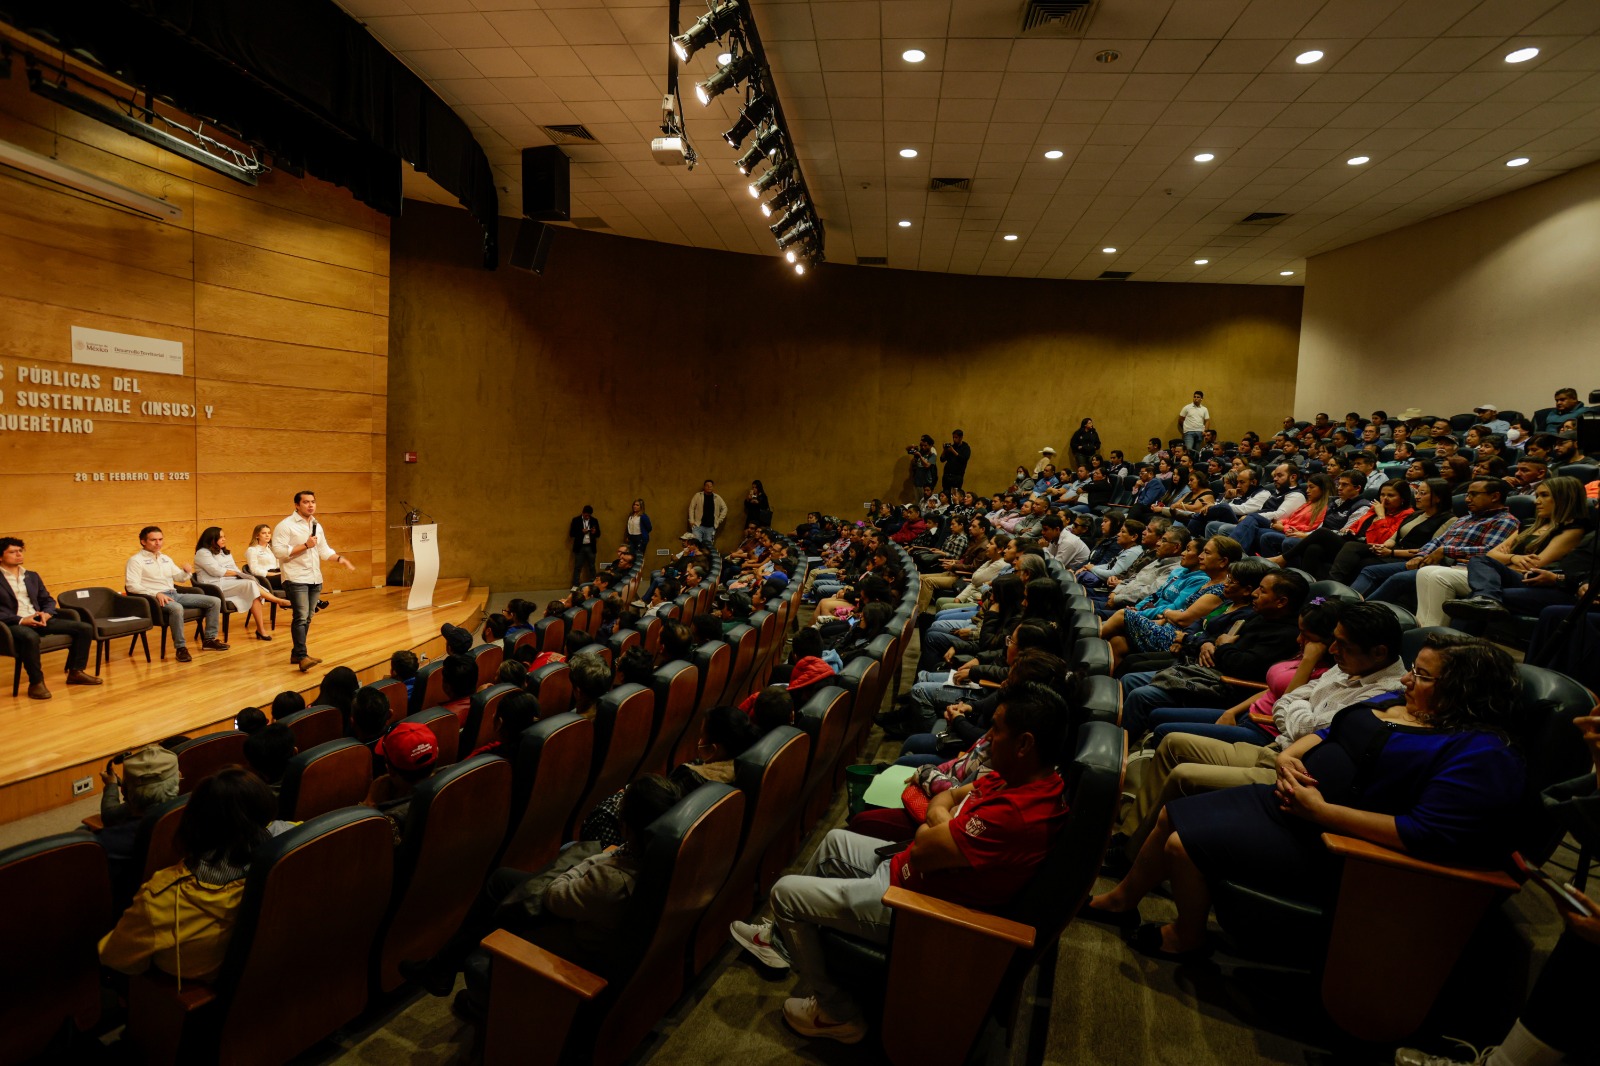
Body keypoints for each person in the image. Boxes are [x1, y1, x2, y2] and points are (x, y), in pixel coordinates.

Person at [1086, 632, 1524, 961]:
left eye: (1423, 676)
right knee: (1171, 817)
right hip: (1295, 805)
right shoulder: (1402, 701)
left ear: (1465, 691)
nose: (1407, 679)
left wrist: (1323, 812)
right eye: (1414, 669)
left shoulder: (1481, 753)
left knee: (1182, 844)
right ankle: (1123, 900)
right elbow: (1332, 731)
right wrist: (1289, 757)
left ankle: (1188, 937)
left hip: (1340, 845)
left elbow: (1427, 833)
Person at [730, 683, 1072, 1044]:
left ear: (1025, 744)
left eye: (997, 729)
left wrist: (940, 822)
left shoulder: (1016, 814)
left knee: (784, 893)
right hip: (910, 870)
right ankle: (782, 941)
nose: (987, 736)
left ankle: (836, 1013)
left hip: (918, 910)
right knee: (834, 842)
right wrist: (948, 821)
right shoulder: (1017, 776)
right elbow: (951, 796)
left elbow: (927, 842)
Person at [99, 768, 291, 984]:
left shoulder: (161, 900)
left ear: (192, 821)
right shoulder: (298, 849)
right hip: (274, 983)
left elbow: (117, 959)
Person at [1414, 476, 1586, 627]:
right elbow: (1491, 555)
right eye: (1537, 495)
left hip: (1528, 580)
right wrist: (1513, 557)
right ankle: (1426, 628)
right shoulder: (1529, 524)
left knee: (1444, 578)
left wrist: (1505, 559)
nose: (1536, 501)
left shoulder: (1573, 529)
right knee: (1470, 562)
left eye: (1544, 495)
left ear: (1564, 498)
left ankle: (1448, 628)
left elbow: (1534, 564)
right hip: (1502, 574)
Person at [0, 536, 100, 699]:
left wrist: (46, 614)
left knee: (84, 628)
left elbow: (47, 600)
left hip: (39, 618)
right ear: (1, 556)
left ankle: (76, 672)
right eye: (12, 552)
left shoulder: (31, 576)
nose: (18, 554)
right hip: (11, 624)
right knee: (29, 637)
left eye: (20, 550)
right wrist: (21, 620)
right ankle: (36, 682)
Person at [271, 490, 356, 673]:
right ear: (296, 505)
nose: (310, 505)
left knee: (308, 617)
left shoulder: (316, 524)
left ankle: (296, 653)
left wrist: (341, 559)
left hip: (314, 577)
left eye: (313, 502)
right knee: (300, 617)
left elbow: (324, 550)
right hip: (295, 577)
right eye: (306, 502)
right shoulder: (286, 526)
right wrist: (305, 545)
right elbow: (278, 552)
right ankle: (302, 656)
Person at [125, 526, 227, 664]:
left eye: (160, 539)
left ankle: (209, 640)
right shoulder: (136, 560)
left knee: (214, 601)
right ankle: (181, 648)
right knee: (176, 608)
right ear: (143, 542)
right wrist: (156, 593)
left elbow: (179, 578)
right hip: (153, 599)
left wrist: (186, 571)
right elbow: (132, 585)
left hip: (174, 593)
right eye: (153, 540)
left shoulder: (165, 558)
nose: (158, 543)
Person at [95, 744, 181, 907]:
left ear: (125, 791)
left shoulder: (103, 845)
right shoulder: (199, 814)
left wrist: (111, 786)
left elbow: (109, 815)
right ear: (179, 779)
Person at [192, 527, 291, 642]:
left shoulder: (224, 552)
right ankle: (278, 600)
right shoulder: (202, 553)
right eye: (220, 537)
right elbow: (216, 571)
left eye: (224, 536)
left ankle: (261, 629)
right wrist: (237, 574)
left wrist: (237, 574)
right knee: (250, 584)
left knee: (253, 591)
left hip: (230, 582)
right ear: (211, 539)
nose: (224, 539)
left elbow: (234, 568)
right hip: (213, 586)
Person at [364, 721, 441, 844]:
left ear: (389, 769)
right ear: (437, 754)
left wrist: (370, 803)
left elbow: (363, 843)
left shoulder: (390, 822)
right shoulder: (457, 781)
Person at [688, 479, 727, 547]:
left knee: (708, 547)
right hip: (698, 525)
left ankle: (704, 558)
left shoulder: (717, 497)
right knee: (696, 545)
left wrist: (719, 520)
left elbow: (725, 508)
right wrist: (691, 520)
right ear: (704, 487)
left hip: (711, 527)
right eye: (707, 485)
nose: (709, 487)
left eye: (711, 486)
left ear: (713, 487)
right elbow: (691, 508)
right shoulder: (698, 495)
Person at [568, 506, 600, 586]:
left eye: (589, 515)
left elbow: (599, 534)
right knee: (578, 567)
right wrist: (581, 532)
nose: (587, 517)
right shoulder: (576, 520)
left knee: (592, 567)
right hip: (580, 547)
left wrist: (594, 532)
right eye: (586, 515)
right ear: (583, 513)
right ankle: (575, 585)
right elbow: (572, 534)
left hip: (590, 547)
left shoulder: (594, 520)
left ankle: (594, 585)